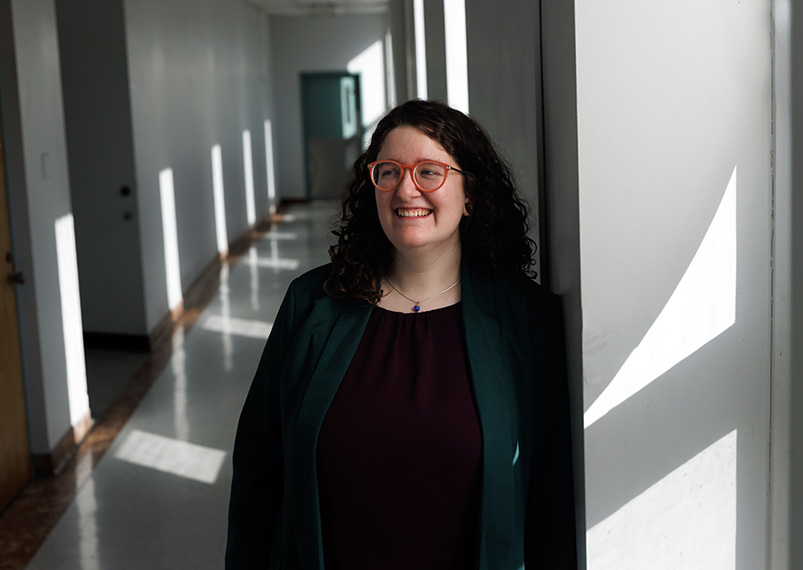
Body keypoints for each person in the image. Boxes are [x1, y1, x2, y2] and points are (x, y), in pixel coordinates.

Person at [226, 99, 577, 569]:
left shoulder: (526, 320)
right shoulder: (311, 304)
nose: (406, 190)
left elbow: (551, 497)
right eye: (389, 172)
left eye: (430, 171)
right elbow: (258, 472)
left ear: (469, 192)